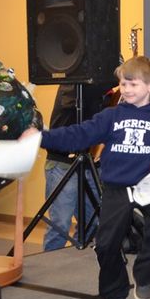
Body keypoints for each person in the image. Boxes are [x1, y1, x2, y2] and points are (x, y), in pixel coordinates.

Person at [22, 56, 150, 299]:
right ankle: (115, 292)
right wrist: (41, 136)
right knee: (106, 245)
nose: (127, 90)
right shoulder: (110, 116)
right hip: (117, 188)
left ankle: (143, 275)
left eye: (134, 84)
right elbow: (77, 134)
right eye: (124, 84)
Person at [42, 81, 114, 251]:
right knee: (60, 224)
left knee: (92, 221)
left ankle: (79, 263)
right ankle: (48, 268)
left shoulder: (106, 94)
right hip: (62, 163)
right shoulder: (73, 85)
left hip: (90, 163)